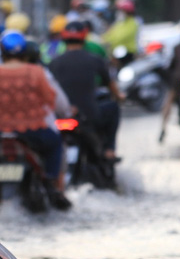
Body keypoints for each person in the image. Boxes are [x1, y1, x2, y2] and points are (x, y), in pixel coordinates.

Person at [0, 30, 70, 210]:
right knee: (55, 143)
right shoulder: (36, 72)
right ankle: (51, 184)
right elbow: (50, 99)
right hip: (34, 131)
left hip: (1, 132)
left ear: (2, 51)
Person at [50, 20, 125, 162]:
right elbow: (111, 85)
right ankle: (109, 149)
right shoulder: (95, 60)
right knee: (114, 108)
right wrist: (119, 96)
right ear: (84, 37)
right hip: (89, 115)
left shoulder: (54, 62)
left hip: (60, 115)